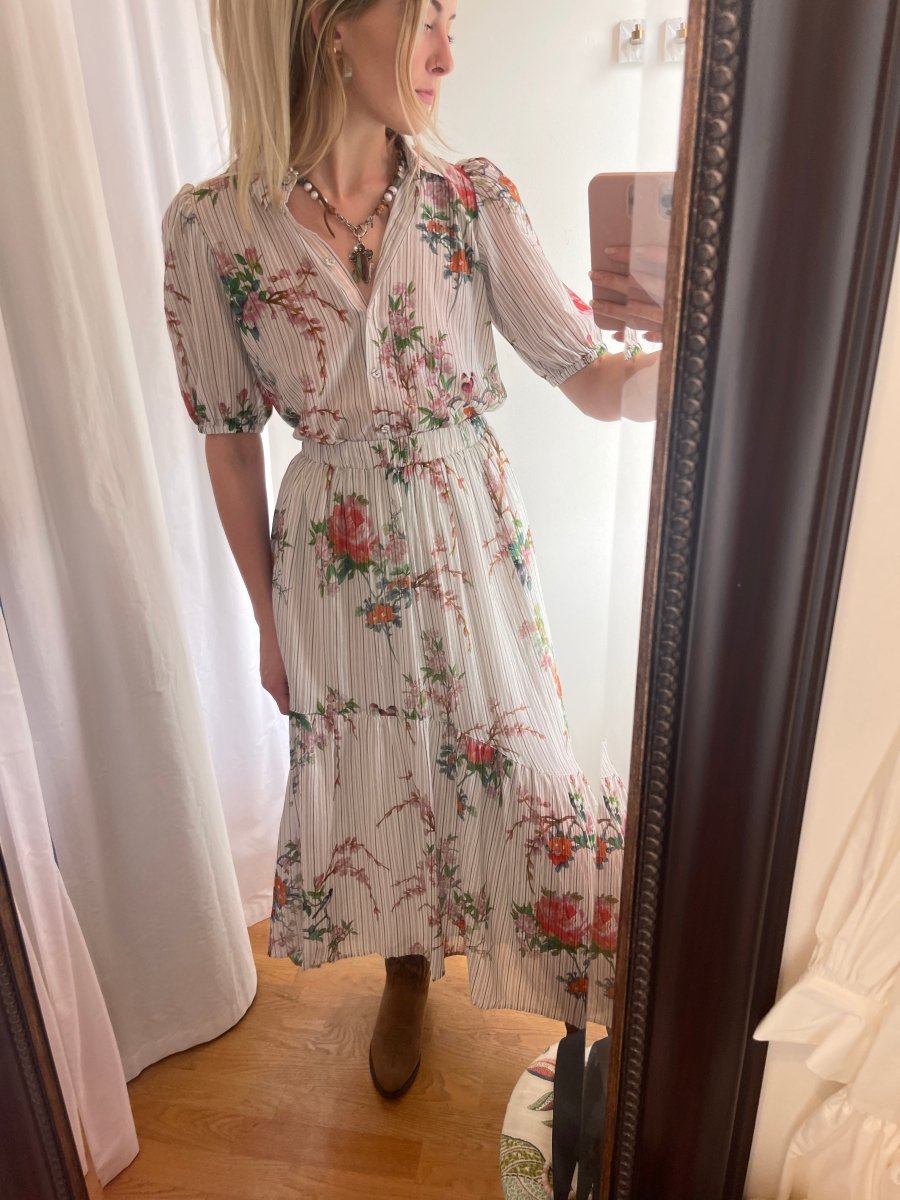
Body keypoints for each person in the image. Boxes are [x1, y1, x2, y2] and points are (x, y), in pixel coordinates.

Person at [161, 0, 661, 1102]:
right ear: (333, 26)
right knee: (381, 772)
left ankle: (588, 983)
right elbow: (230, 441)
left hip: (467, 537)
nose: (446, 52)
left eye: (451, 20)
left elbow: (587, 374)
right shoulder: (212, 229)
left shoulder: (469, 200)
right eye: (424, 17)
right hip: (331, 559)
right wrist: (266, 622)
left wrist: (686, 368)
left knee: (522, 765)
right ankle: (407, 966)